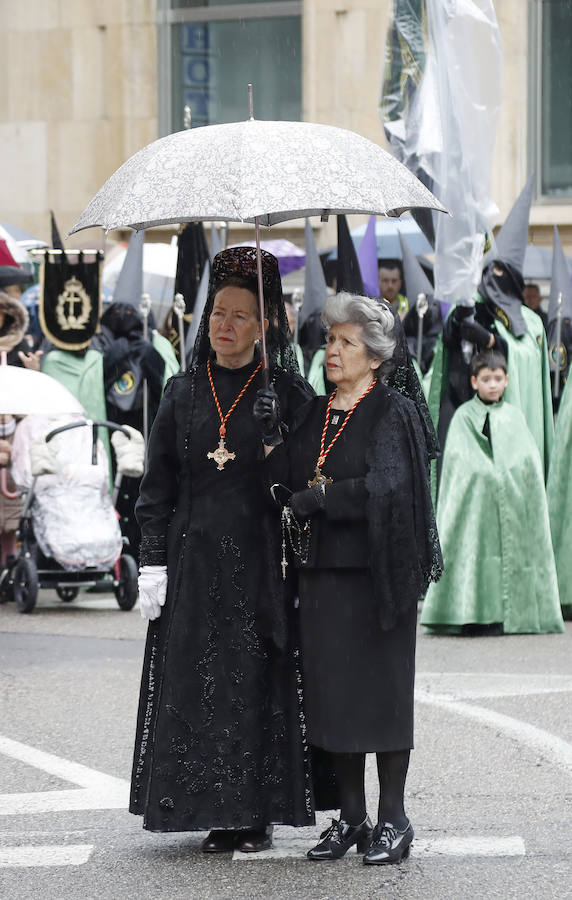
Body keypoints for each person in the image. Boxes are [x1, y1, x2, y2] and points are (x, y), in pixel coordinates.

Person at [129, 248, 315, 851]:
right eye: (217, 313)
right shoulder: (182, 391)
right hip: (192, 559)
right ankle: (203, 807)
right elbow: (156, 486)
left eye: (239, 316)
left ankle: (252, 814)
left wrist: (273, 434)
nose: (224, 325)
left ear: (264, 327)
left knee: (250, 680)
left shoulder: (283, 389)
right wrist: (152, 561)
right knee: (195, 681)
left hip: (259, 560)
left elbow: (302, 482)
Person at [255, 292, 442, 865]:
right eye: (330, 339)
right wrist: (268, 435)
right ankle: (352, 818)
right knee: (333, 700)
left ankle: (395, 819)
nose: (331, 350)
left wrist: (326, 497)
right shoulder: (315, 410)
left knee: (381, 700)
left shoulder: (393, 411)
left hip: (376, 577)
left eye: (345, 342)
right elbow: (285, 479)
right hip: (321, 577)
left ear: (376, 355)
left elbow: (388, 487)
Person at [421, 349, 564, 636]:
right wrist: (486, 475)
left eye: (498, 378)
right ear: (474, 382)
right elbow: (460, 465)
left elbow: (527, 461)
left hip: (511, 499)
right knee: (477, 553)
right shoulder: (463, 417)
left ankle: (510, 614)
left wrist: (508, 478)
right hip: (476, 504)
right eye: (486, 379)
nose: (492, 385)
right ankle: (471, 612)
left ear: (507, 380)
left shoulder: (514, 417)